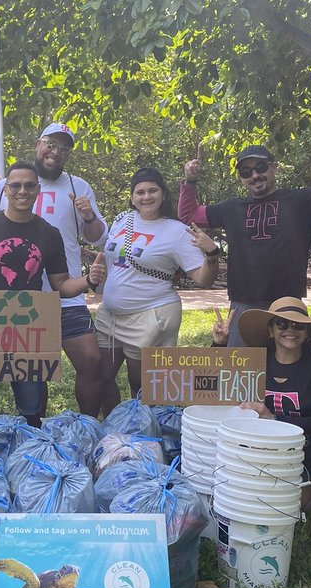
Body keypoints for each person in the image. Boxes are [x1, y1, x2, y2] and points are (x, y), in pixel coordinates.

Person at [178, 113, 311, 345]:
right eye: (246, 172)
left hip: (288, 304)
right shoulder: (231, 208)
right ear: (240, 178)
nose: (255, 175)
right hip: (244, 303)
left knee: (290, 372)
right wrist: (190, 181)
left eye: (260, 167)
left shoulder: (302, 199)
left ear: (274, 168)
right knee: (243, 374)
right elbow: (189, 215)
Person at [219, 298, 311, 547]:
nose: (290, 330)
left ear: (307, 333)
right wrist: (219, 343)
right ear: (270, 330)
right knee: (293, 507)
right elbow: (214, 381)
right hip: (291, 442)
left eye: (298, 326)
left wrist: (275, 418)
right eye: (282, 323)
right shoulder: (254, 364)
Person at [0, 161, 101, 427]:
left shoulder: (49, 234)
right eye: (15, 185)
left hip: (28, 328)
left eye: (28, 186)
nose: (22, 191)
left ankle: (31, 451)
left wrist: (88, 280)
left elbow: (61, 285)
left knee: (31, 406)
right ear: (5, 191)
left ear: (37, 191)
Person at [0, 123, 107, 416]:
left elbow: (98, 236)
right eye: (50, 144)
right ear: (38, 144)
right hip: (22, 297)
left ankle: (86, 425)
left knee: (91, 361)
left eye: (64, 148)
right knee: (36, 371)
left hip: (66, 290)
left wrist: (88, 216)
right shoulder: (7, 186)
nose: (56, 152)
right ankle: (38, 431)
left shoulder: (78, 186)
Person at [88, 168, 220, 412]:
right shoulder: (122, 220)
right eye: (140, 192)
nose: (146, 197)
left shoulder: (176, 230)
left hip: (151, 314)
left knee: (141, 385)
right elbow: (114, 260)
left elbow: (202, 279)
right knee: (102, 376)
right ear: (132, 196)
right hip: (110, 315)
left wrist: (211, 254)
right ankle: (114, 427)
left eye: (152, 191)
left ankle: (144, 434)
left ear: (163, 194)